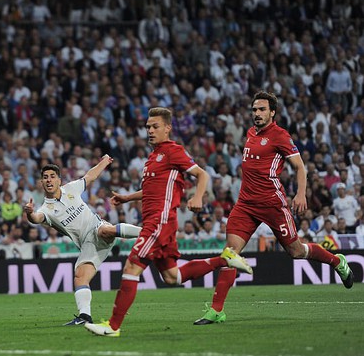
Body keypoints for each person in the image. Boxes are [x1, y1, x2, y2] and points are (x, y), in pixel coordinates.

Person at [84, 107, 251, 337]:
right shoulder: (152, 157)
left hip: (159, 221)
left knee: (131, 267)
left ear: (167, 128)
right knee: (173, 277)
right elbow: (151, 190)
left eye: (155, 127)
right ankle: (225, 260)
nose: (150, 131)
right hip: (158, 221)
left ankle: (112, 326)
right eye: (148, 127)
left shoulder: (173, 151)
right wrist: (127, 197)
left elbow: (202, 174)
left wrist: (198, 196)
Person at [193, 91, 354, 325]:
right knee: (230, 253)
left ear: (272, 112)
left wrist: (300, 194)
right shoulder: (250, 133)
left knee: (296, 251)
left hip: (273, 204)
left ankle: (337, 262)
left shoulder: (280, 136)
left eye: (261, 110)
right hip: (246, 205)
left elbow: (299, 167)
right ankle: (217, 310)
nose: (257, 114)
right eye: (254, 110)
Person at [24, 154, 143, 326]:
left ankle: (147, 232)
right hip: (88, 245)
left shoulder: (71, 188)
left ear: (59, 180)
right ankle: (84, 316)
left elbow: (90, 176)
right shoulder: (46, 209)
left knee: (104, 230)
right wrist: (29, 213)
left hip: (98, 228)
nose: (49, 180)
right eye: (45, 178)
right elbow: (36, 218)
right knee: (80, 277)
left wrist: (105, 161)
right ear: (41, 183)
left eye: (52, 176)